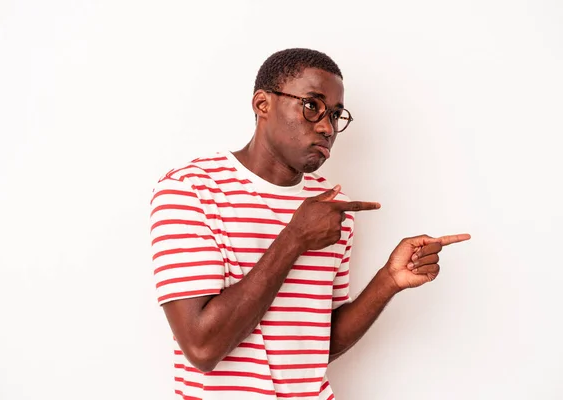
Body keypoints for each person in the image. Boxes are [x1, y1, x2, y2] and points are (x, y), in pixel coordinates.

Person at [149, 48, 470, 400]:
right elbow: (202, 348)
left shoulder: (331, 205)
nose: (326, 127)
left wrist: (388, 280)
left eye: (336, 115)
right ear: (263, 104)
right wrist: (294, 239)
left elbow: (317, 345)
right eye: (311, 106)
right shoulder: (190, 190)